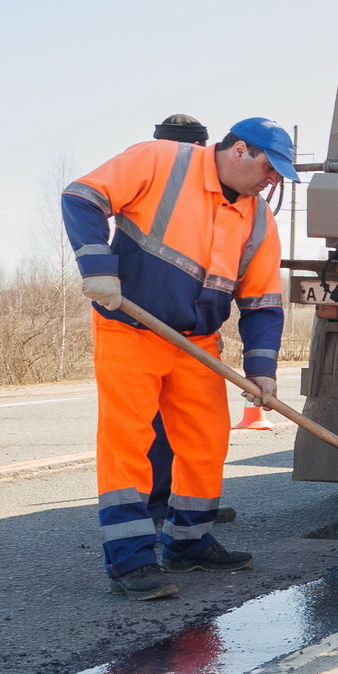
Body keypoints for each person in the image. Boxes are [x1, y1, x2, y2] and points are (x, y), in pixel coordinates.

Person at [62, 118, 293, 600]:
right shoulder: (160, 160)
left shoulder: (258, 220)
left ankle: (188, 543)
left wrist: (262, 372)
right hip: (131, 330)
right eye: (270, 170)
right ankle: (131, 561)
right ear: (240, 151)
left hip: (197, 343)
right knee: (129, 443)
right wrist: (99, 267)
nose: (273, 182)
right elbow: (81, 197)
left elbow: (263, 302)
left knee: (205, 443)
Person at [142, 115, 237, 530]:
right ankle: (157, 505)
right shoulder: (160, 183)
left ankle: (187, 507)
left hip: (194, 331)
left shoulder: (208, 191)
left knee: (193, 428)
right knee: (158, 425)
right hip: (149, 329)